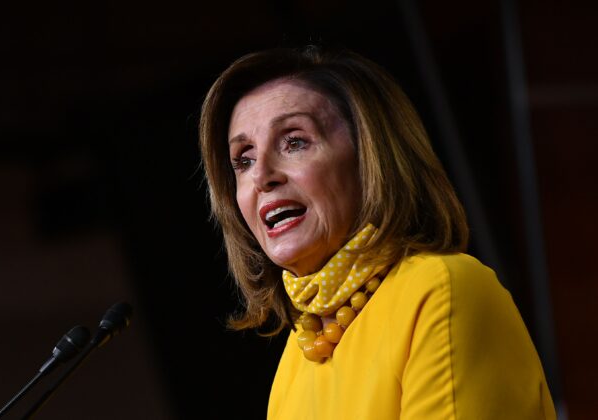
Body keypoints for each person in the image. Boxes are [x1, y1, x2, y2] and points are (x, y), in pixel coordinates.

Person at [199, 45, 555, 419]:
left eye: (294, 142)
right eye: (244, 160)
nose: (261, 176)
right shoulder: (299, 353)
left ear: (371, 158)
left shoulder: (442, 290)